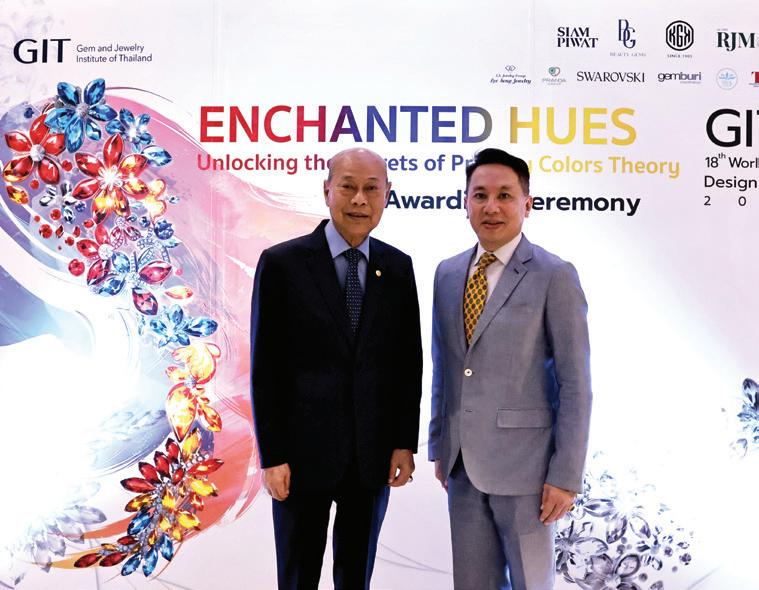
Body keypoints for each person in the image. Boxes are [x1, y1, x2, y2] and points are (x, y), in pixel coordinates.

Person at [250, 147, 423, 590]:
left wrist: (403, 443)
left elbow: (408, 364)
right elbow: (265, 367)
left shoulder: (397, 267)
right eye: (348, 187)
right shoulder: (282, 263)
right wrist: (273, 456)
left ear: (387, 195)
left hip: (371, 457)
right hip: (299, 459)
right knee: (297, 577)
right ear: (327, 190)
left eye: (372, 189)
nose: (359, 199)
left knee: (356, 578)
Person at [428, 148, 592, 590]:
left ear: (527, 203)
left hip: (529, 473)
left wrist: (566, 475)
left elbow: (576, 384)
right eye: (480, 195)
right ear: (465, 203)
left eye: (504, 195)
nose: (491, 206)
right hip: (462, 466)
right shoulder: (447, 273)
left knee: (531, 583)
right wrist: (440, 444)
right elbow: (444, 367)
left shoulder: (554, 274)